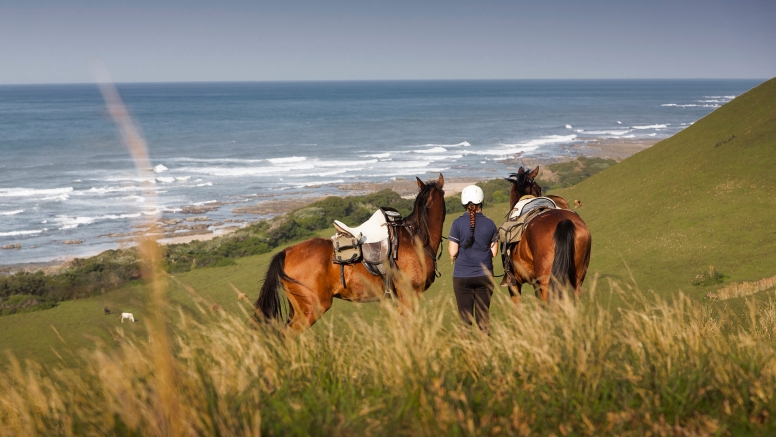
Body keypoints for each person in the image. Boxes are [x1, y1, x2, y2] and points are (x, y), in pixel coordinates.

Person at [448, 185, 498, 334]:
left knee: (465, 322)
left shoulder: (456, 223)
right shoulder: (490, 224)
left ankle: (467, 354)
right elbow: (494, 252)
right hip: (485, 276)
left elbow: (453, 251)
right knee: (483, 320)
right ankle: (485, 352)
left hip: (462, 277)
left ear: (464, 203)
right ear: (481, 202)